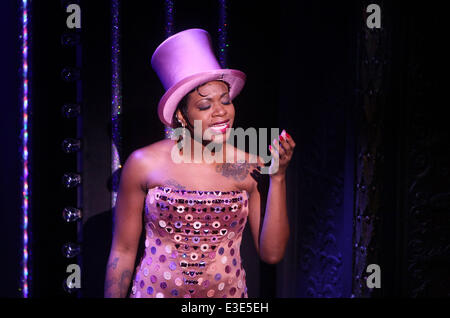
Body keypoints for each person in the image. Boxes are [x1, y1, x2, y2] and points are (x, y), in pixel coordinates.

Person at [104, 28, 296, 298]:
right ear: (182, 116)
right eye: (205, 105)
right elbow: (122, 252)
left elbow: (272, 253)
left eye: (226, 101)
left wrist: (277, 178)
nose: (221, 112)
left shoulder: (250, 166)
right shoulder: (143, 164)